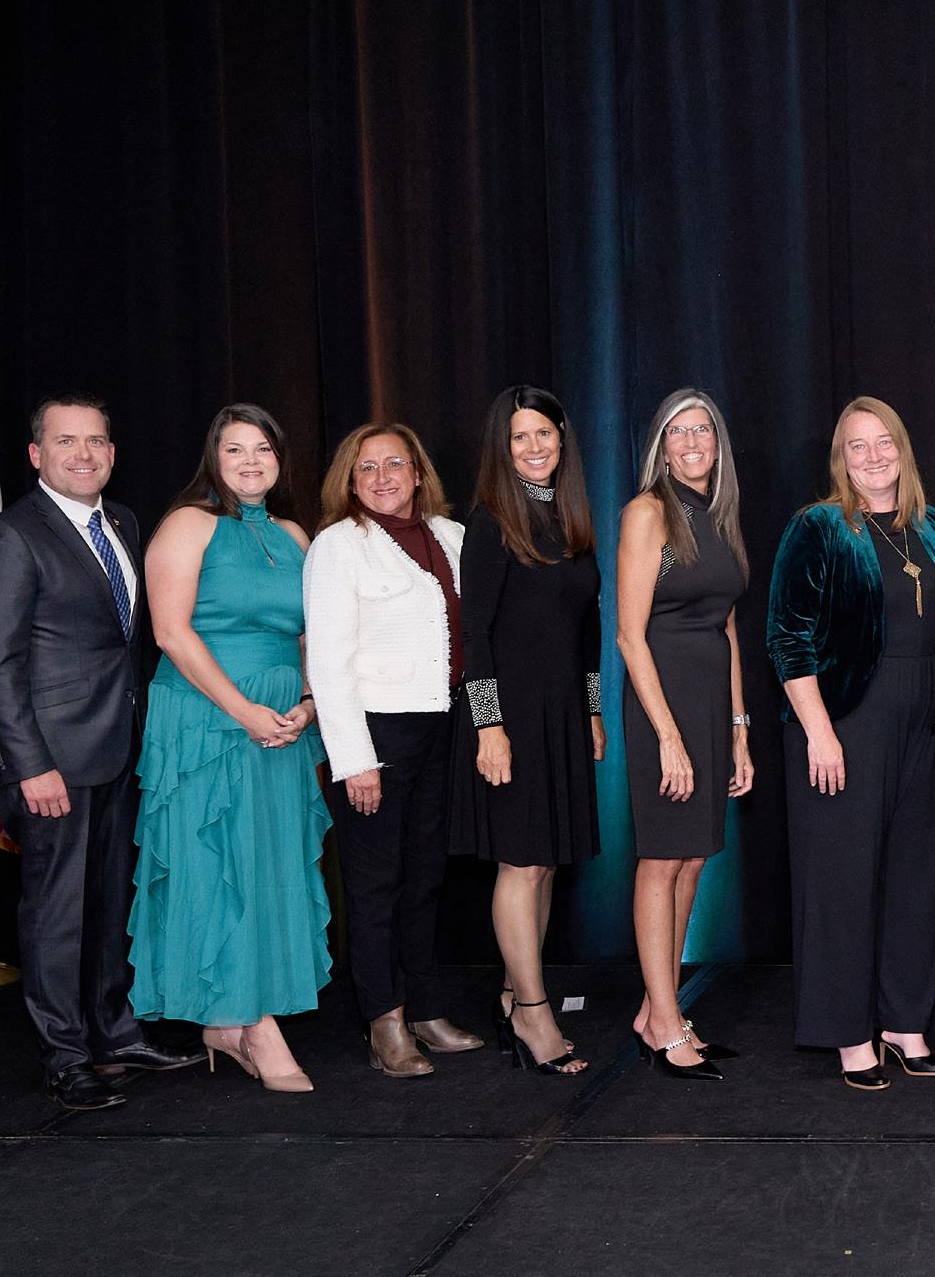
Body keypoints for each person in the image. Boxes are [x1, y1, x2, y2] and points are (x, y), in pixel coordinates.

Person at [0, 396, 203, 1110]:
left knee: (108, 903)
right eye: (66, 441)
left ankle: (115, 1033)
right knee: (57, 913)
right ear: (36, 454)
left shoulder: (122, 521)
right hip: (52, 763)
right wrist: (30, 764)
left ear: (112, 452)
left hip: (121, 749)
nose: (83, 454)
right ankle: (66, 1056)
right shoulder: (10, 537)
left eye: (95, 441)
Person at [127, 403, 331, 1093]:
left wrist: (309, 703)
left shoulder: (295, 534)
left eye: (263, 449)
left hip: (283, 724)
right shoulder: (188, 524)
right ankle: (248, 1021)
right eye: (235, 449)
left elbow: (310, 635)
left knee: (267, 866)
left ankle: (231, 1020)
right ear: (213, 459)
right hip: (208, 720)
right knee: (219, 864)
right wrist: (244, 712)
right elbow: (170, 632)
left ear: (280, 459)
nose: (250, 461)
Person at [767, 396, 935, 1090]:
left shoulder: (934, 526)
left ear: (903, 450)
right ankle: (849, 1032)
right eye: (857, 446)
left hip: (927, 720)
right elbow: (787, 636)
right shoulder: (818, 527)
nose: (873, 457)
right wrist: (819, 731)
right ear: (840, 459)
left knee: (914, 876)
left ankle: (904, 1022)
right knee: (842, 883)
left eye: (884, 443)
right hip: (847, 720)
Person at [303, 422, 483, 1078]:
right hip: (376, 733)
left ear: (417, 472)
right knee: (376, 882)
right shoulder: (338, 545)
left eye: (395, 464)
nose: (382, 477)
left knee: (426, 874)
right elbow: (327, 659)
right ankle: (384, 1019)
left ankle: (427, 1008)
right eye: (367, 467)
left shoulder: (452, 536)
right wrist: (354, 760)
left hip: (443, 728)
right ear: (350, 482)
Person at [452, 385, 604, 1076]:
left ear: (562, 437)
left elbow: (587, 626)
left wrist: (592, 709)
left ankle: (517, 994)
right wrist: (489, 725)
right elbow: (474, 635)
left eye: (544, 432)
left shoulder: (569, 517)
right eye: (519, 436)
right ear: (502, 447)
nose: (534, 446)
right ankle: (534, 1014)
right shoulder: (490, 521)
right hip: (509, 717)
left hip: (562, 715)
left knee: (544, 862)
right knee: (521, 861)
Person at [617, 389, 754, 1082]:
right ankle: (666, 1022)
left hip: (708, 703)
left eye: (703, 429)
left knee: (694, 858)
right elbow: (628, 635)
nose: (692, 441)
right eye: (678, 431)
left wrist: (738, 728)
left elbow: (727, 627)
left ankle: (656, 1010)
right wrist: (667, 735)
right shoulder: (648, 512)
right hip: (660, 703)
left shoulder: (720, 515)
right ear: (662, 447)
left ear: (717, 443)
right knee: (662, 858)